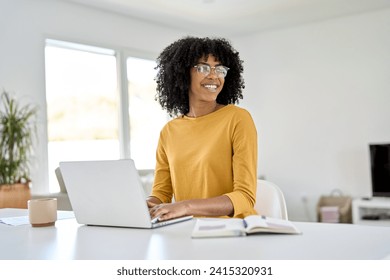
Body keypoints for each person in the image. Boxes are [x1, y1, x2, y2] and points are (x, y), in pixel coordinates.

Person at [147, 36, 258, 221]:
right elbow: (161, 194)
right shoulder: (169, 131)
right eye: (203, 67)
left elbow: (245, 197)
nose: (214, 75)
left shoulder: (238, 119)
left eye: (220, 69)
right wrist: (143, 205)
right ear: (182, 73)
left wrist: (186, 206)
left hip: (234, 232)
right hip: (187, 232)